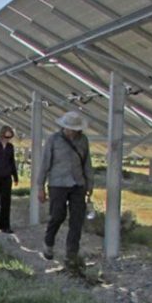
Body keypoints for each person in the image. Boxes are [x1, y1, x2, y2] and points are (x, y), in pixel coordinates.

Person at [38, 111, 93, 265]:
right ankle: (49, 243)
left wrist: (90, 184)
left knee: (77, 219)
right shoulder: (53, 140)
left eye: (74, 129)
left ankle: (71, 254)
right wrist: (40, 187)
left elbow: (87, 163)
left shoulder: (83, 140)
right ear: (63, 127)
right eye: (69, 128)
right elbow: (44, 165)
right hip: (57, 184)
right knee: (57, 215)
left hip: (78, 184)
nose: (71, 131)